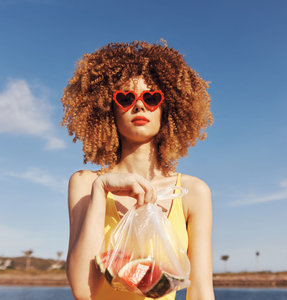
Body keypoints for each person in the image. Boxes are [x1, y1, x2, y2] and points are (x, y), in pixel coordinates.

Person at [61, 40, 214, 300]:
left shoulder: (192, 192)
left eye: (152, 97)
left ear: (167, 109)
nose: (140, 105)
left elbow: (201, 292)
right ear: (109, 109)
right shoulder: (86, 184)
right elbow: (83, 291)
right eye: (126, 98)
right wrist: (102, 189)